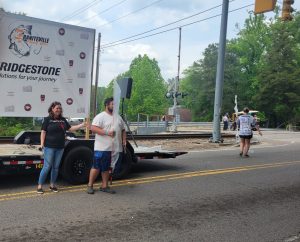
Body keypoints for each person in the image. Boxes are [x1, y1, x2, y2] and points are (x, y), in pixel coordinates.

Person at [37, 101, 86, 194]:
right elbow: (43, 132)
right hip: (49, 147)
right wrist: (42, 144)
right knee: (47, 167)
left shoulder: (63, 120)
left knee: (55, 167)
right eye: (57, 108)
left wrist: (81, 125)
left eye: (60, 108)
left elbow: (70, 128)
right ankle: (39, 185)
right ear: (52, 109)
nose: (58, 110)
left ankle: (52, 185)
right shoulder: (47, 119)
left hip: (60, 147)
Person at [87, 97, 126, 195]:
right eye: (113, 104)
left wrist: (124, 141)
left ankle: (104, 186)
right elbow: (93, 128)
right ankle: (90, 185)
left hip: (115, 148)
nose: (114, 106)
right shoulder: (100, 116)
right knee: (96, 167)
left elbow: (123, 129)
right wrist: (107, 132)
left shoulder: (118, 117)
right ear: (107, 105)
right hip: (102, 148)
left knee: (107, 168)